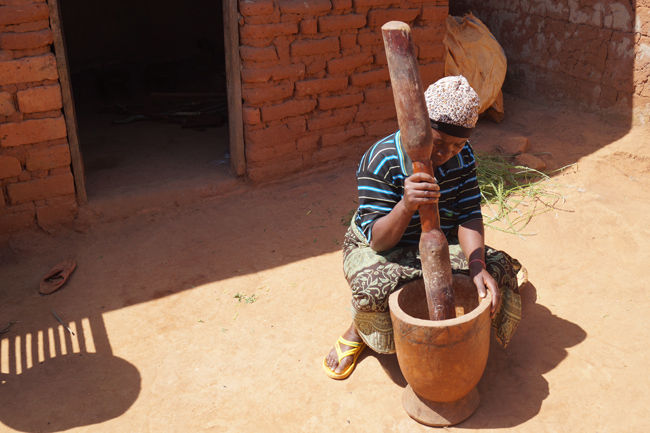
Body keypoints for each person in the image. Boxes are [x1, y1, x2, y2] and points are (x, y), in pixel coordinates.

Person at [323, 75, 524, 380]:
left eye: (457, 145)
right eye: (439, 142)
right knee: (370, 288)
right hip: (383, 246)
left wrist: (476, 265)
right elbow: (378, 241)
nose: (446, 154)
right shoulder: (380, 160)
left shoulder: (463, 156)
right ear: (416, 128)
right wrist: (406, 205)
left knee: (497, 269)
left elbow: (468, 214)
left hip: (438, 241)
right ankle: (358, 331)